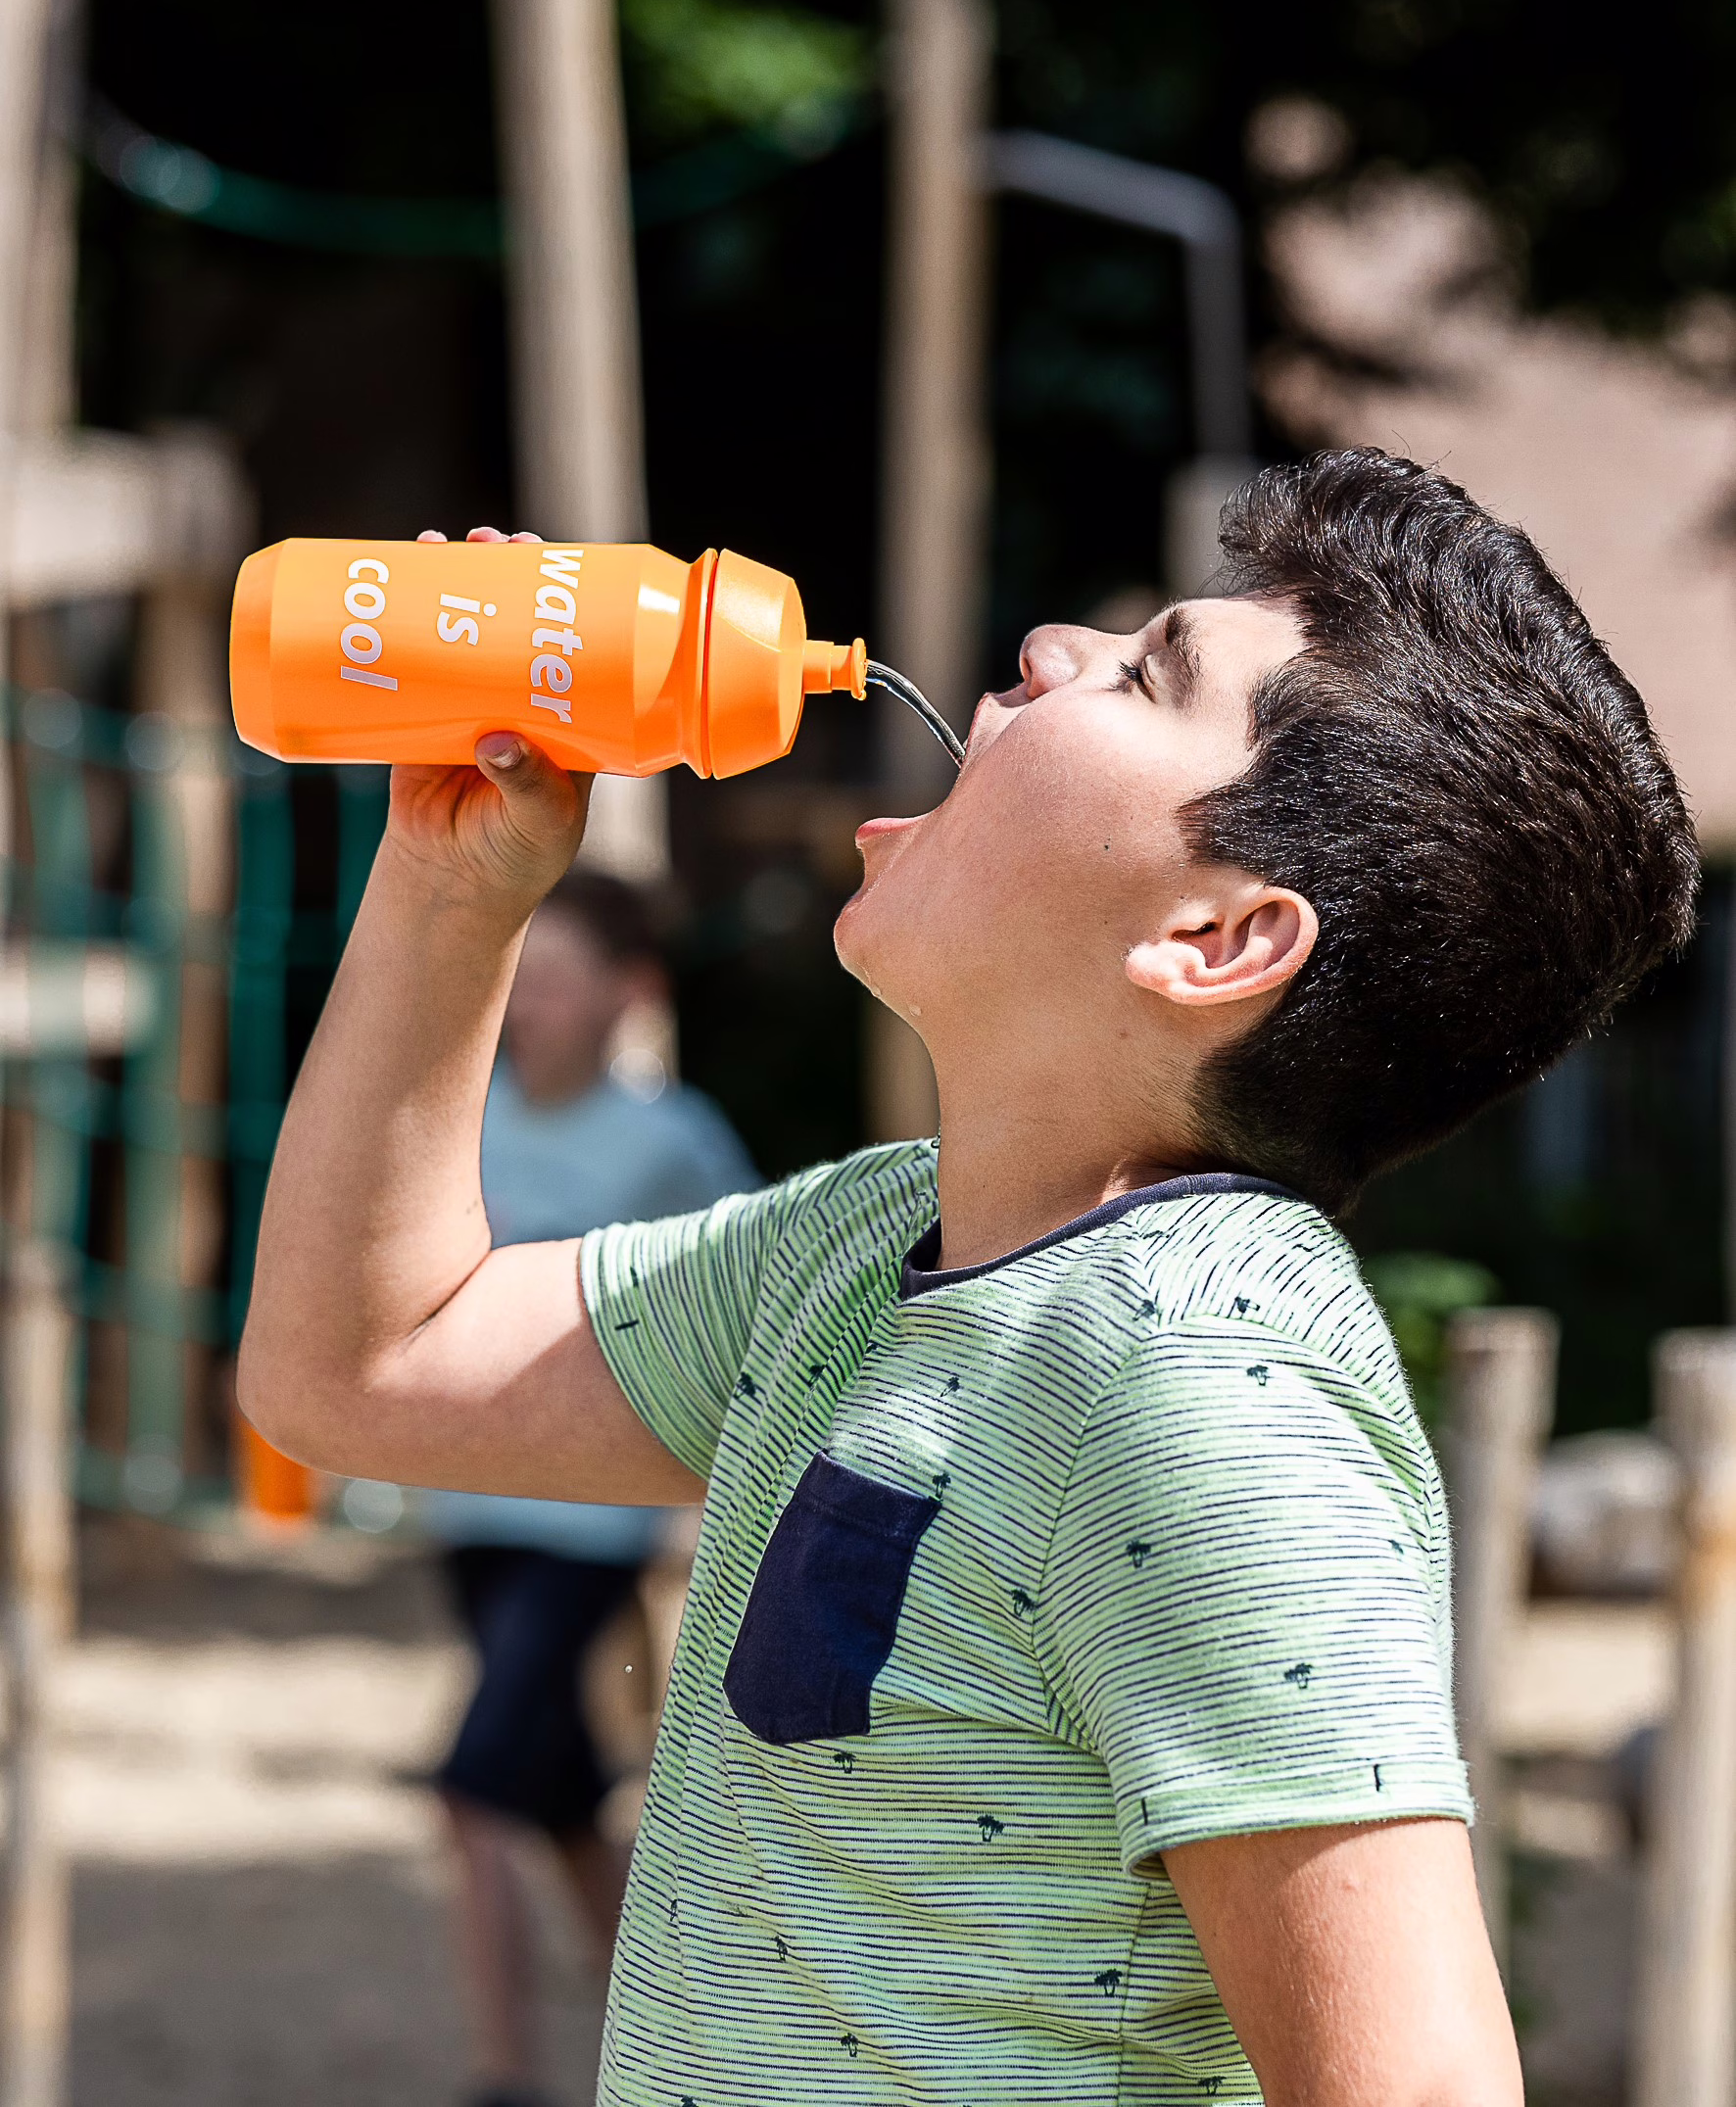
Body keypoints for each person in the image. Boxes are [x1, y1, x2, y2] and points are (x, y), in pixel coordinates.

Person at [240, 455, 1697, 2106]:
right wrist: (454, 886)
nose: (1047, 642)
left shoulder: (1204, 1387)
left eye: (1147, 672)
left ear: (1217, 937)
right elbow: (358, 1367)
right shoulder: (862, 1248)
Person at [420, 869, 756, 2107]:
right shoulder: (462, 1119)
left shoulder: (680, 1141)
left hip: (593, 1527)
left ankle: (500, 2074)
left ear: (630, 995)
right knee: (562, 1807)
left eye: (558, 980)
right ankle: (663, 2056)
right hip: (467, 1511)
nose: (532, 1006)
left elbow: (759, 1324)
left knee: (469, 1791)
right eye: (525, 981)